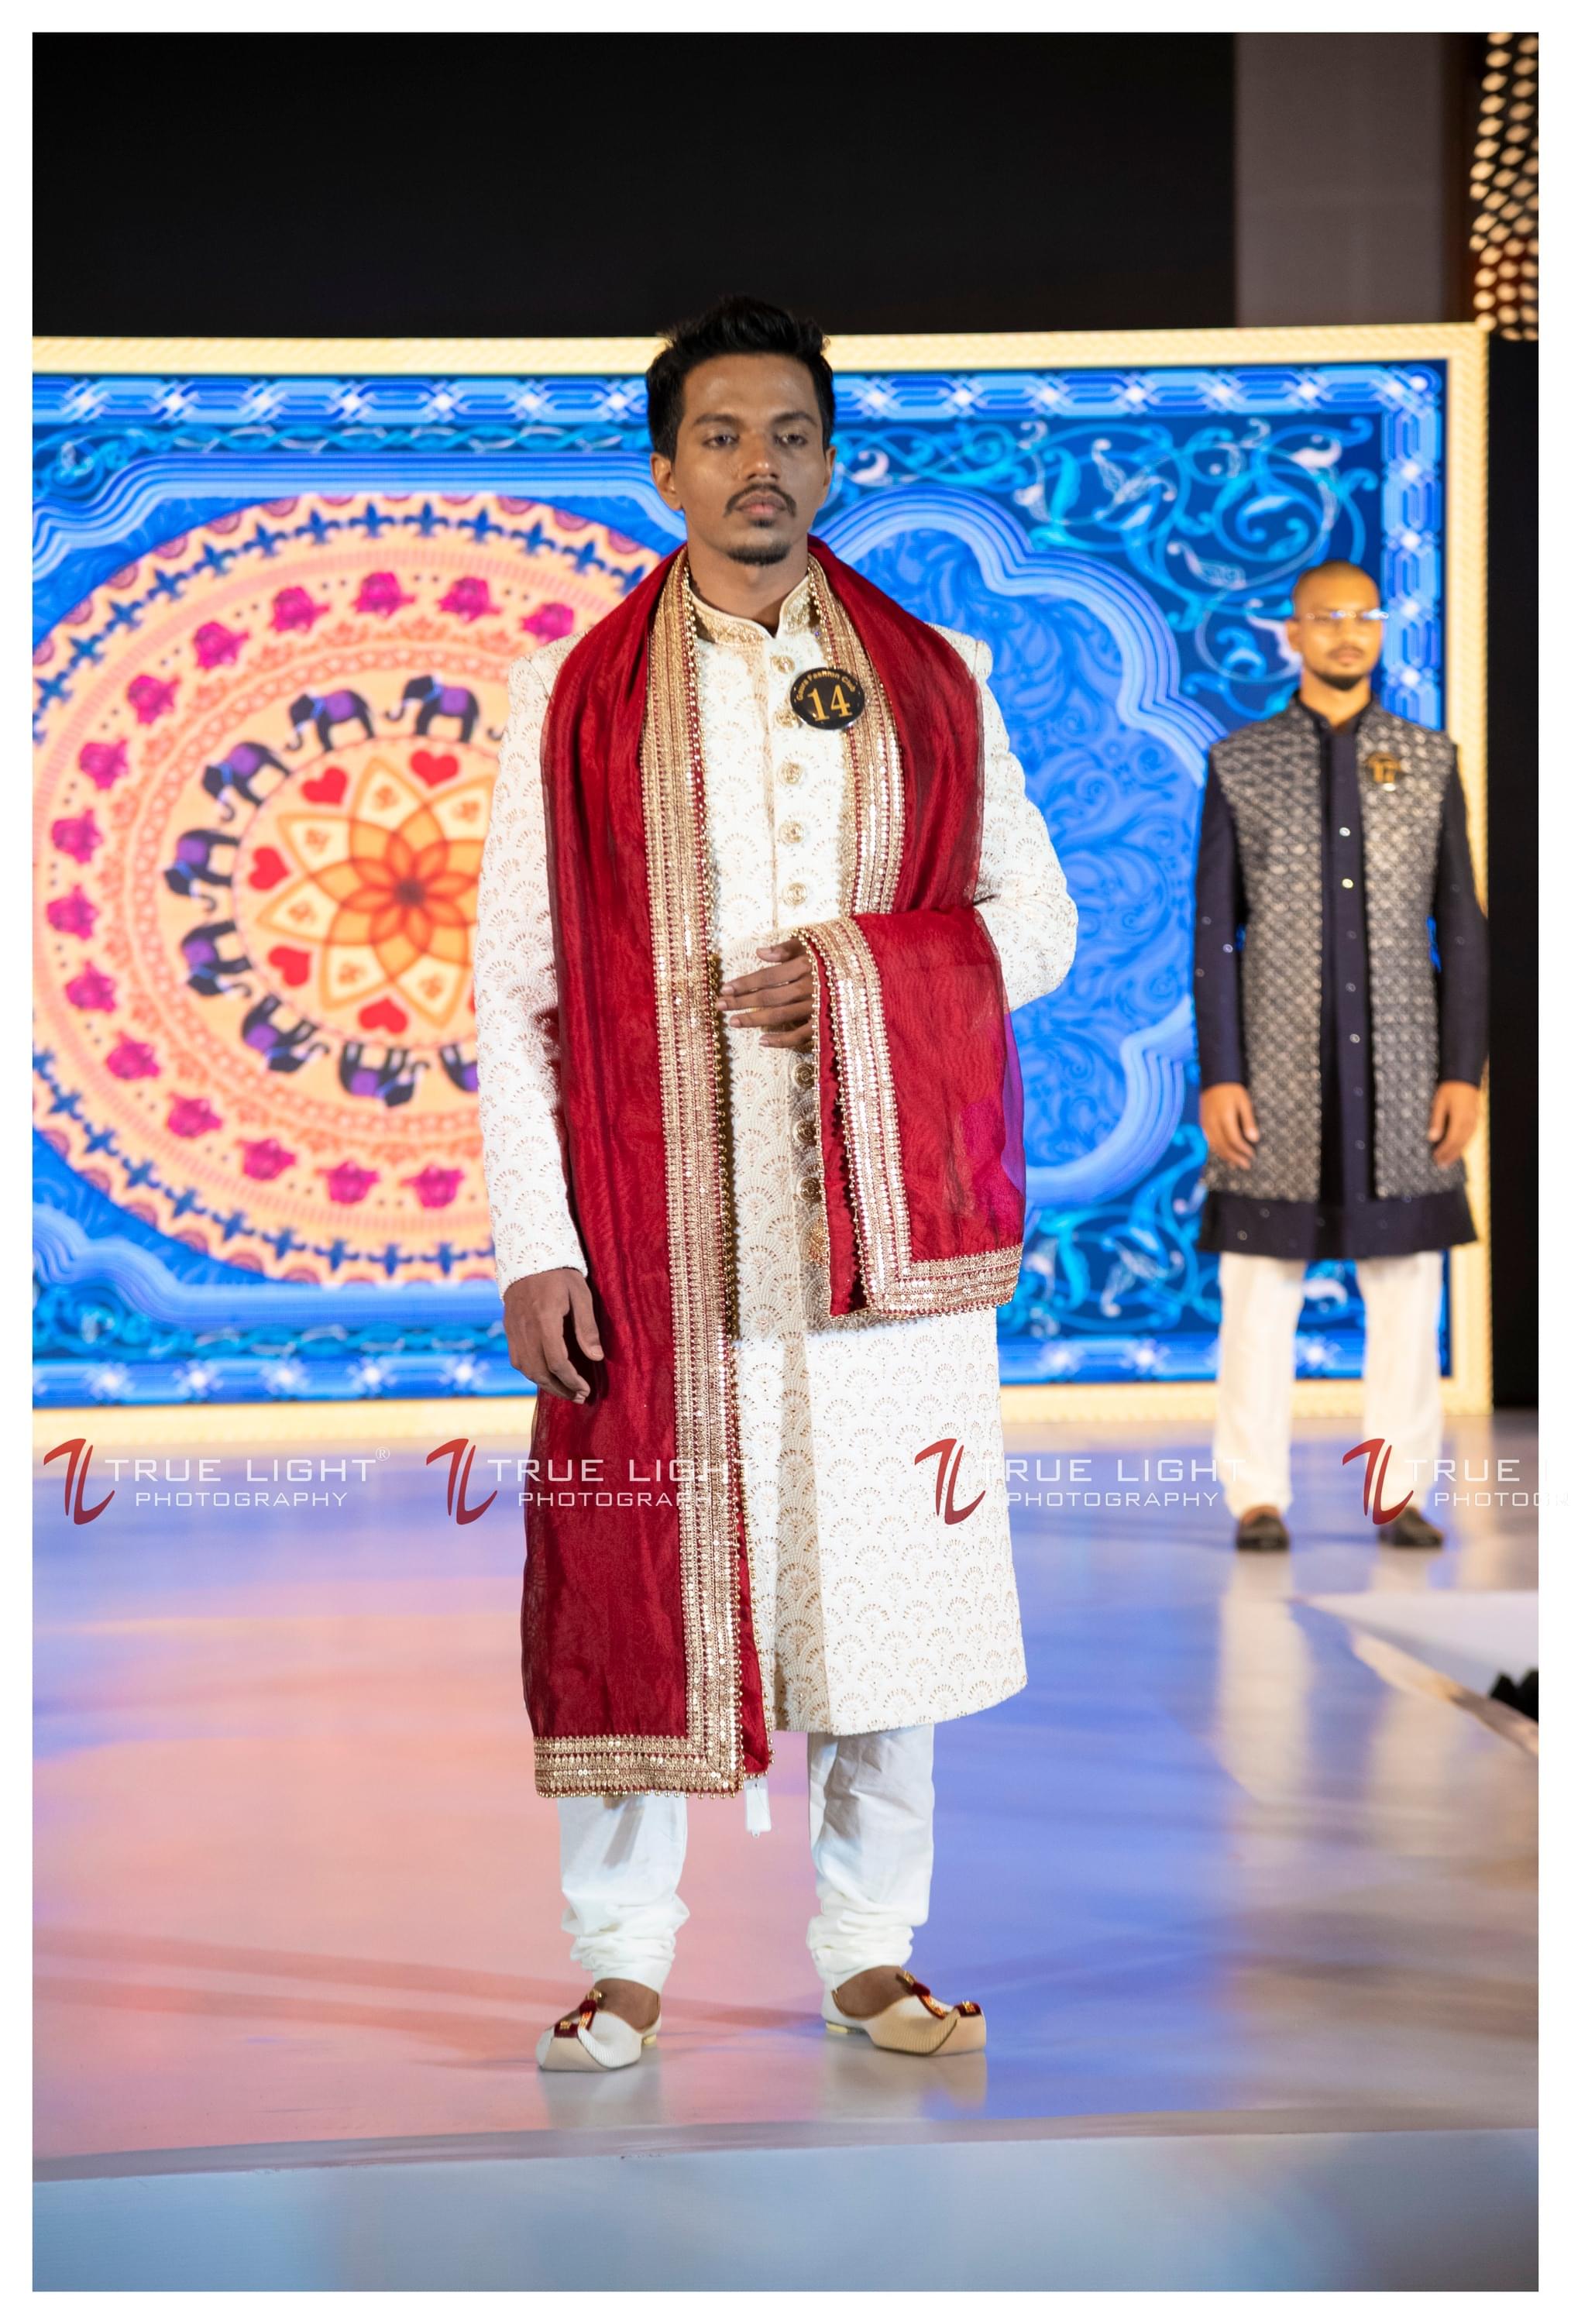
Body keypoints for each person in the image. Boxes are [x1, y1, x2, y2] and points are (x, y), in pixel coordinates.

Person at [473, 296, 1078, 2068]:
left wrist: (859, 978)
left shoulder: (932, 677)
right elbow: (510, 987)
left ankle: (872, 1951)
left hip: (877, 1224)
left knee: (881, 1585)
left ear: (832, 458)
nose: (762, 465)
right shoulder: (567, 697)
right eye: (723, 435)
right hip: (650, 1232)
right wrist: (534, 1241)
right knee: (632, 1565)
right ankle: (619, 1959)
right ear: (663, 469)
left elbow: (1035, 922)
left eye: (792, 434)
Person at [1192, 559, 1488, 1553]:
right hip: (1274, 1073)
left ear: (1382, 628)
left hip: (1404, 1071)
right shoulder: (1241, 761)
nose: (1348, 632)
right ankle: (1256, 1495)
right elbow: (1214, 935)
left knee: (1405, 1285)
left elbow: (1463, 927)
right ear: (1294, 632)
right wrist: (1222, 1073)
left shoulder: (1429, 759)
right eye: (1328, 617)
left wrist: (1463, 1071)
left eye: (1365, 615)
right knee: (1257, 1286)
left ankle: (1398, 1492)